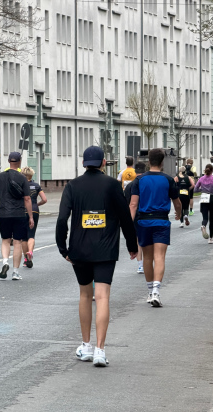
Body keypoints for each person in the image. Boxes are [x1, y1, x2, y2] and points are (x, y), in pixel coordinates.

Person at [56, 146, 138, 367]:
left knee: (85, 295)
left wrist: (63, 248)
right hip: (105, 249)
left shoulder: (72, 186)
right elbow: (125, 217)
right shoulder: (112, 185)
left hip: (79, 249)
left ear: (84, 163)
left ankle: (86, 346)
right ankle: (100, 351)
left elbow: (62, 218)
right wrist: (132, 245)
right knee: (102, 297)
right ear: (103, 163)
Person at [129, 149, 181, 307]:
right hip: (161, 221)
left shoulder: (139, 180)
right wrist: (179, 213)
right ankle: (157, 292)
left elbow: (133, 204)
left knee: (147, 257)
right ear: (162, 162)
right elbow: (177, 202)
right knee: (160, 257)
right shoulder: (168, 179)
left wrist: (129, 226)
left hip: (144, 222)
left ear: (148, 161)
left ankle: (150, 291)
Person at [0, 152, 35, 280]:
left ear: (8, 161)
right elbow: (27, 198)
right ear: (20, 162)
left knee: (5, 240)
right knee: (17, 242)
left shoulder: (0, 177)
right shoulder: (22, 178)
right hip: (19, 214)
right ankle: (15, 272)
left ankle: (5, 262)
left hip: (4, 213)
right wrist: (31, 217)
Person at [20, 166, 47, 268]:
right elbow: (44, 199)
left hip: (23, 211)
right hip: (34, 210)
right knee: (31, 234)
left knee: (23, 237)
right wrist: (36, 204)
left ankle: (26, 259)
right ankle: (30, 251)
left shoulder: (20, 186)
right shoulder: (36, 186)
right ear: (31, 175)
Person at [124, 161, 147, 273]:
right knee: (147, 240)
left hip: (134, 214)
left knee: (138, 239)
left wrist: (128, 220)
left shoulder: (129, 186)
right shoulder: (147, 184)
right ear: (145, 170)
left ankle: (140, 265)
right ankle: (147, 263)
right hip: (147, 214)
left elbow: (128, 203)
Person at [193, 164, 213, 243]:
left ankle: (203, 225)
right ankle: (211, 238)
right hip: (212, 197)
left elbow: (195, 189)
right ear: (212, 170)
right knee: (212, 219)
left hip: (204, 198)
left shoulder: (201, 179)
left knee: (205, 217)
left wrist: (202, 190)